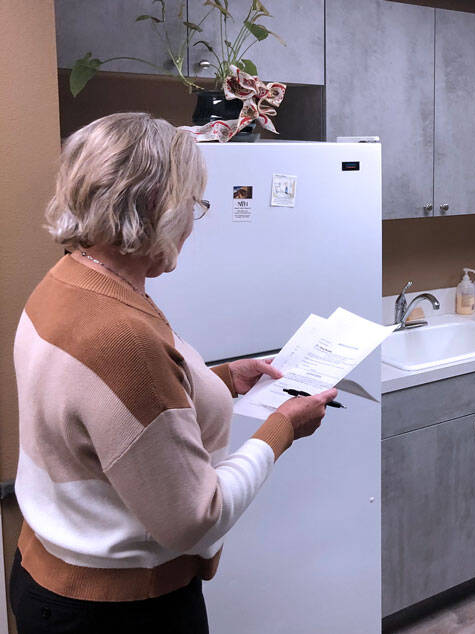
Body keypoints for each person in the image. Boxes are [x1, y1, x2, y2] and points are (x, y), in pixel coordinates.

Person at [10, 112, 338, 634]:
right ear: (156, 209)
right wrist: (282, 428)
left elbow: (111, 410)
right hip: (118, 609)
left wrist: (224, 379)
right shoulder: (123, 337)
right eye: (193, 205)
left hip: (51, 573)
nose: (192, 222)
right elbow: (195, 518)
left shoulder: (68, 281)